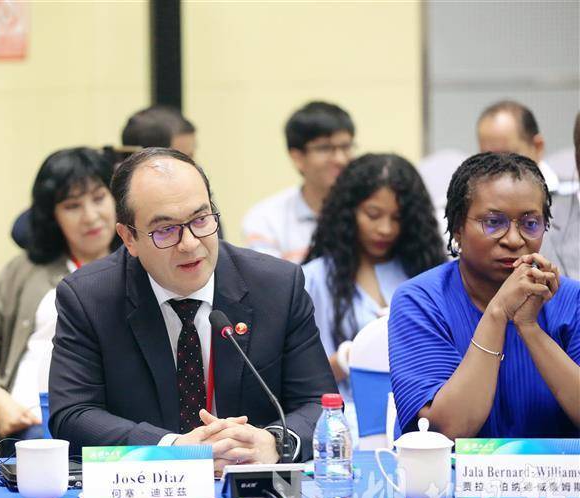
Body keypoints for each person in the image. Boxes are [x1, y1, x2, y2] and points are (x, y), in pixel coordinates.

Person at [48, 147, 337, 470]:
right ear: (129, 238)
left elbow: (321, 405)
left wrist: (275, 442)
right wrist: (173, 449)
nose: (189, 243)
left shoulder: (276, 286)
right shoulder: (89, 298)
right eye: (165, 229)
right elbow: (73, 415)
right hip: (150, 486)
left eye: (200, 220)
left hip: (249, 483)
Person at [0, 147, 119, 498]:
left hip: (110, 429)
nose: (91, 216)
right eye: (72, 206)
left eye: (98, 198)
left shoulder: (137, 266)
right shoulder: (25, 271)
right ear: (52, 216)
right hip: (30, 426)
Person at [389, 152, 580, 440]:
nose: (514, 240)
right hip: (452, 470)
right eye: (493, 222)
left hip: (557, 470)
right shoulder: (421, 301)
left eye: (530, 223)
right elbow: (444, 432)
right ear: (458, 228)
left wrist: (529, 328)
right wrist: (498, 312)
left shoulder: (571, 300)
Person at [301, 154, 446, 438]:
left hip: (419, 427)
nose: (385, 229)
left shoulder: (425, 276)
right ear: (348, 212)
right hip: (344, 430)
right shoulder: (314, 279)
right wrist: (348, 359)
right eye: (373, 214)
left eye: (397, 218)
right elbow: (300, 381)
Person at [11, 105, 197, 248]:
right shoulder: (119, 189)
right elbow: (24, 229)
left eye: (98, 198)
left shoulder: (193, 191)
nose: (192, 164)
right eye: (182, 156)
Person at [242, 101, 355, 263]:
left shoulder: (368, 214)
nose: (340, 159)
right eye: (325, 148)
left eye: (346, 147)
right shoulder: (265, 219)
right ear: (297, 157)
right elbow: (269, 278)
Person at [477, 100, 578, 278]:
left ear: (537, 147)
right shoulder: (473, 205)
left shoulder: (572, 195)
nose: (497, 169)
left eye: (508, 156)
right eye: (487, 159)